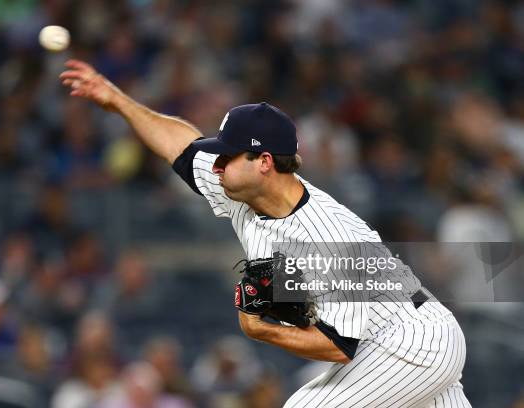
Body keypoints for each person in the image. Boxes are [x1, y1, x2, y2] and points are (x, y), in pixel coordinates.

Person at [60, 60, 471, 407]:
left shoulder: (327, 235)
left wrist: (261, 329)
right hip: (400, 339)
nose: (215, 164)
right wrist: (117, 101)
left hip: (411, 342)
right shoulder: (238, 182)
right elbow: (181, 145)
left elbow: (338, 346)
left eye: (227, 154)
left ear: (264, 162)